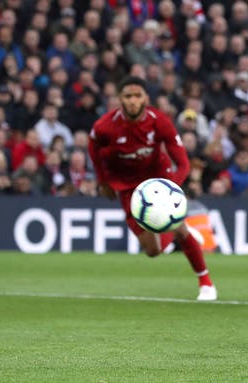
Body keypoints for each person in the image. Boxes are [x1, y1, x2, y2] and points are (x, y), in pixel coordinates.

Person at [88, 76, 217, 301]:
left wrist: (171, 187)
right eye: (128, 96)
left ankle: (206, 283)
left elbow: (183, 162)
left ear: (146, 98)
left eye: (138, 96)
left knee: (180, 229)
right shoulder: (104, 127)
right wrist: (103, 181)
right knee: (152, 251)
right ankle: (170, 232)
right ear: (120, 99)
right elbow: (93, 148)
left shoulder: (159, 121)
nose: (133, 101)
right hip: (127, 185)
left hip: (158, 178)